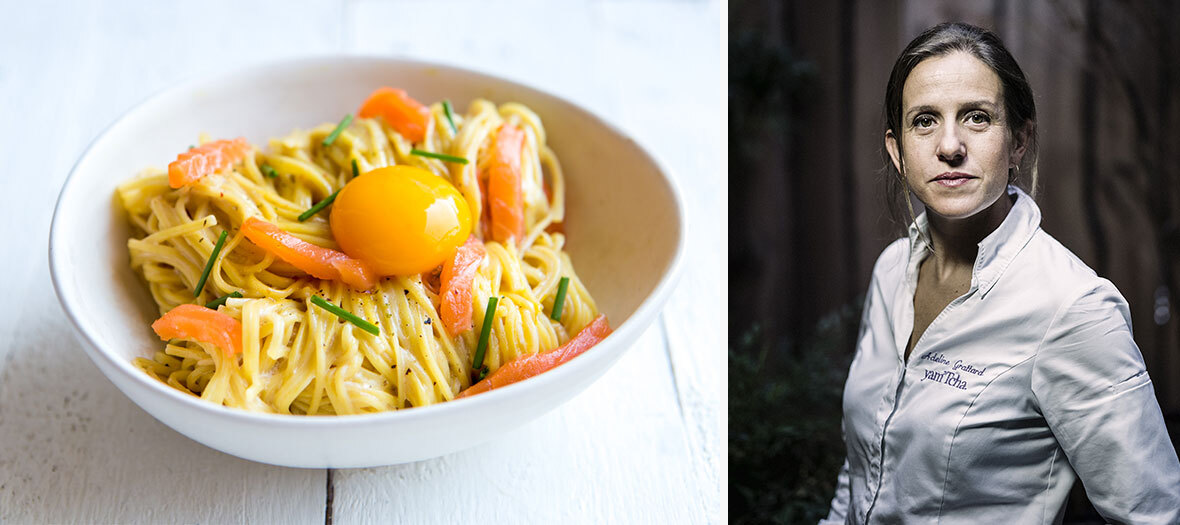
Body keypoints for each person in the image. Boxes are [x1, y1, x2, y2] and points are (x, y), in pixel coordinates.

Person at [820, 22, 1180, 524]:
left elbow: (1152, 514)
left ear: (1018, 141)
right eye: (924, 120)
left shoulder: (1072, 308)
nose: (950, 145)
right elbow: (861, 472)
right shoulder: (890, 272)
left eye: (977, 118)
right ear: (897, 151)